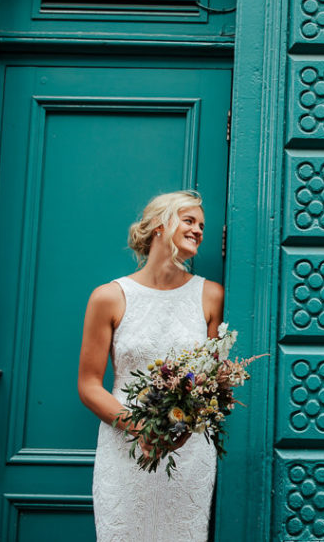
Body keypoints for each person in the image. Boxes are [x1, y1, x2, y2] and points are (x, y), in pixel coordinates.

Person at [77, 190, 225, 542]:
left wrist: (187, 421)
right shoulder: (109, 297)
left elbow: (213, 381)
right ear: (160, 225)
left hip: (187, 451)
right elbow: (89, 384)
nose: (199, 230)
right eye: (189, 220)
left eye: (202, 225)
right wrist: (140, 428)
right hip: (126, 447)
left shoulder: (211, 295)